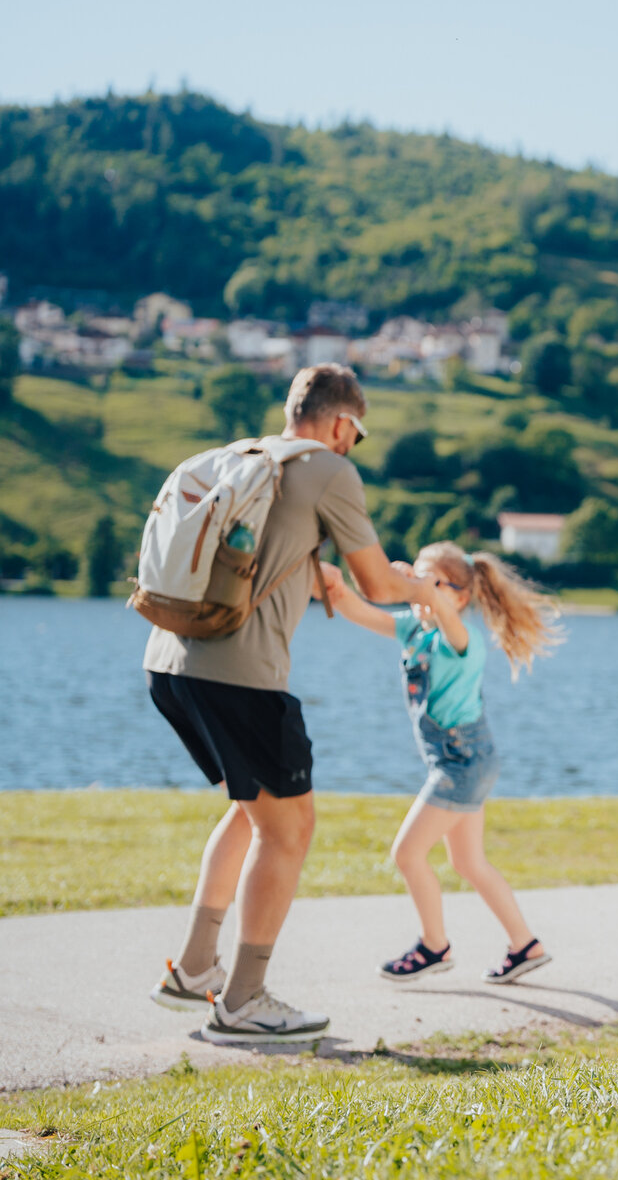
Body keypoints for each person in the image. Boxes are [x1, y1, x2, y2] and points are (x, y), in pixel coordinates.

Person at [147, 365, 434, 1043]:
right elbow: (377, 581)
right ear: (342, 424)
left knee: (252, 812)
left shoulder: (235, 458)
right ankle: (243, 1001)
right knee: (290, 829)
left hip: (169, 661)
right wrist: (432, 592)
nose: (351, 448)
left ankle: (194, 969)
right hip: (239, 675)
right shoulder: (329, 470)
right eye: (355, 436)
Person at [318, 541, 562, 984]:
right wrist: (335, 585)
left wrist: (414, 585)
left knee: (407, 854)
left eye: (434, 582)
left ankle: (435, 946)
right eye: (419, 579)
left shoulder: (459, 637)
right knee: (469, 863)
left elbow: (441, 613)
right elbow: (358, 609)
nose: (420, 589)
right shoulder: (415, 629)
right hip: (461, 761)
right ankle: (526, 945)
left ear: (461, 595)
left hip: (463, 762)